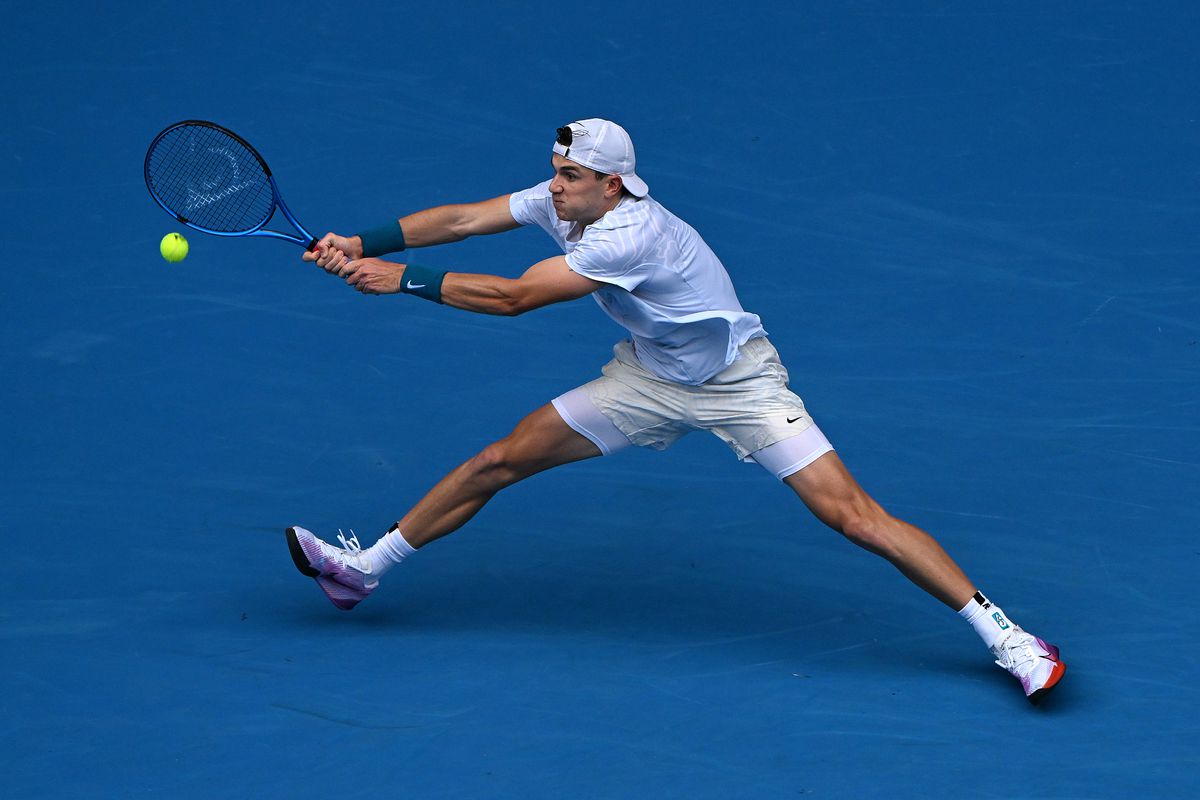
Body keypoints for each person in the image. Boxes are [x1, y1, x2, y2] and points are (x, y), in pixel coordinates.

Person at [285, 119, 1065, 705]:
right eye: (555, 172)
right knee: (501, 459)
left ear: (614, 185)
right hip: (648, 378)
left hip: (739, 384)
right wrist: (364, 238)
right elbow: (461, 220)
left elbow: (518, 297)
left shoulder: (628, 236)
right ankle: (363, 571)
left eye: (573, 177)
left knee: (853, 515)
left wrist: (401, 280)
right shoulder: (566, 198)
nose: (556, 187)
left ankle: (1007, 638)